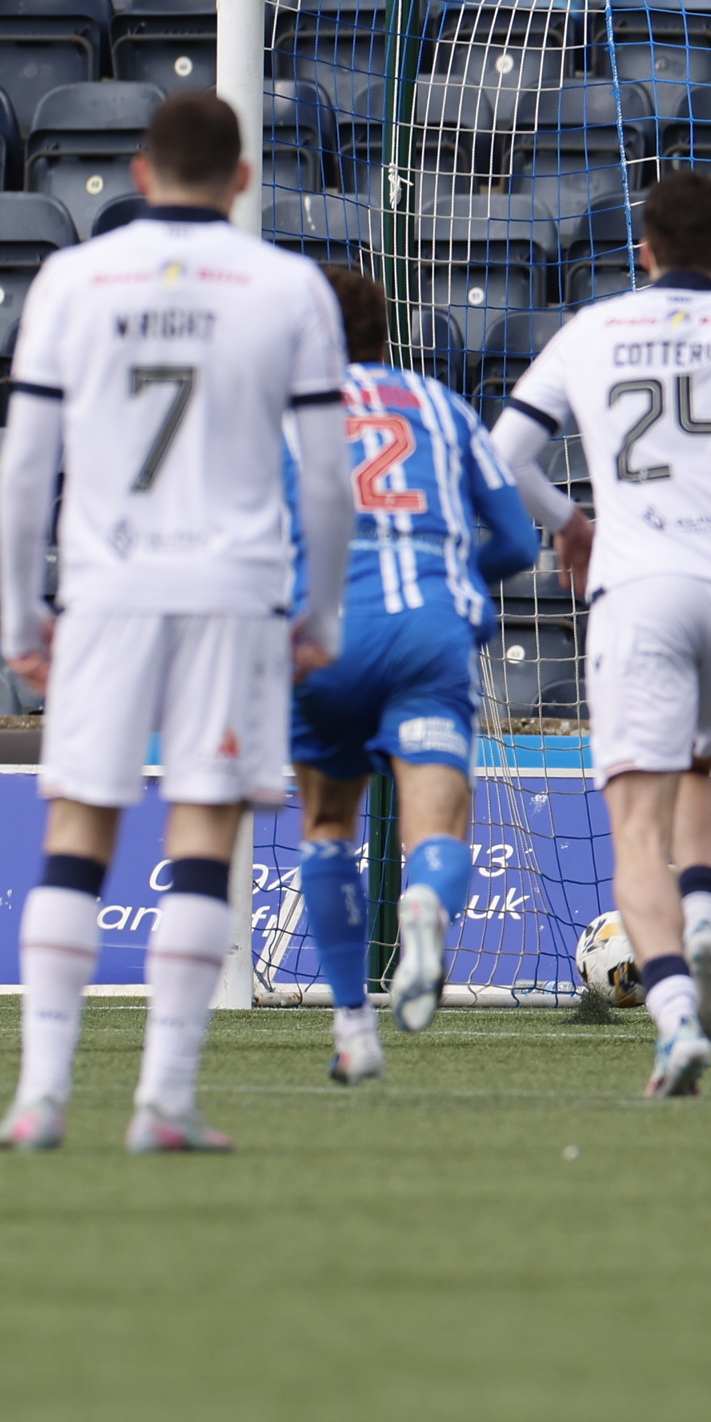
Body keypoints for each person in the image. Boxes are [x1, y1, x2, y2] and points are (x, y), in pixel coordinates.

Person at [0, 92, 356, 1154]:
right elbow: (326, 477)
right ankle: (163, 1100)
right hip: (234, 589)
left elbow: (26, 465)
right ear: (242, 179)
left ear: (141, 176)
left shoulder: (73, 277)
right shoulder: (288, 285)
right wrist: (321, 608)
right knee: (205, 830)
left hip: (107, 586)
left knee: (78, 827)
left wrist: (23, 612)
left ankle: (40, 1096)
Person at [489, 169, 711, 1098]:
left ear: (643, 249)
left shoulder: (593, 329)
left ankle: (675, 1021)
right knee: (699, 773)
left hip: (640, 590)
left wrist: (568, 522)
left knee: (636, 825)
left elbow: (504, 452)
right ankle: (705, 916)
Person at [290, 266, 539, 1084]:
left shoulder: (285, 414)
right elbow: (518, 542)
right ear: (383, 332)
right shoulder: (443, 406)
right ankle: (426, 906)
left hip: (326, 632)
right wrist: (447, 569)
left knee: (328, 827)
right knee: (439, 829)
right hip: (428, 629)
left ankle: (353, 1030)